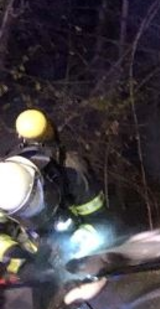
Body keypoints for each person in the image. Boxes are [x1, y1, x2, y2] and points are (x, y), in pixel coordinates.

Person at [0, 108, 108, 262]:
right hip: (35, 258)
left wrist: (79, 242)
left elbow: (100, 219)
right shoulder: (4, 184)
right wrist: (14, 255)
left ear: (42, 182)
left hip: (76, 251)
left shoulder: (71, 171)